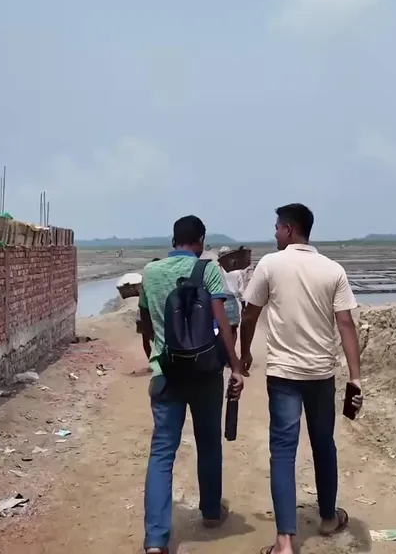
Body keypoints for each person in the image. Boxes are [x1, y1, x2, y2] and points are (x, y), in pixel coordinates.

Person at [239, 203, 363, 554]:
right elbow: (345, 324)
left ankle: (284, 542)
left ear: (289, 229)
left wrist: (245, 353)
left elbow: (250, 315)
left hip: (283, 375)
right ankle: (328, 517)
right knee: (324, 444)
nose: (275, 232)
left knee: (282, 452)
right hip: (321, 374)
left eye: (277, 227)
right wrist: (355, 378)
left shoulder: (270, 265)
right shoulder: (333, 269)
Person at [138, 216, 245, 554]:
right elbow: (223, 322)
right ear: (200, 240)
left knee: (162, 453)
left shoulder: (150, 272)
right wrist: (235, 366)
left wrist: (155, 353)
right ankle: (211, 512)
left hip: (166, 373)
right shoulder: (208, 269)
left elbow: (145, 325)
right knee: (209, 443)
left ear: (173, 240)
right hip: (205, 374)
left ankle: (156, 540)